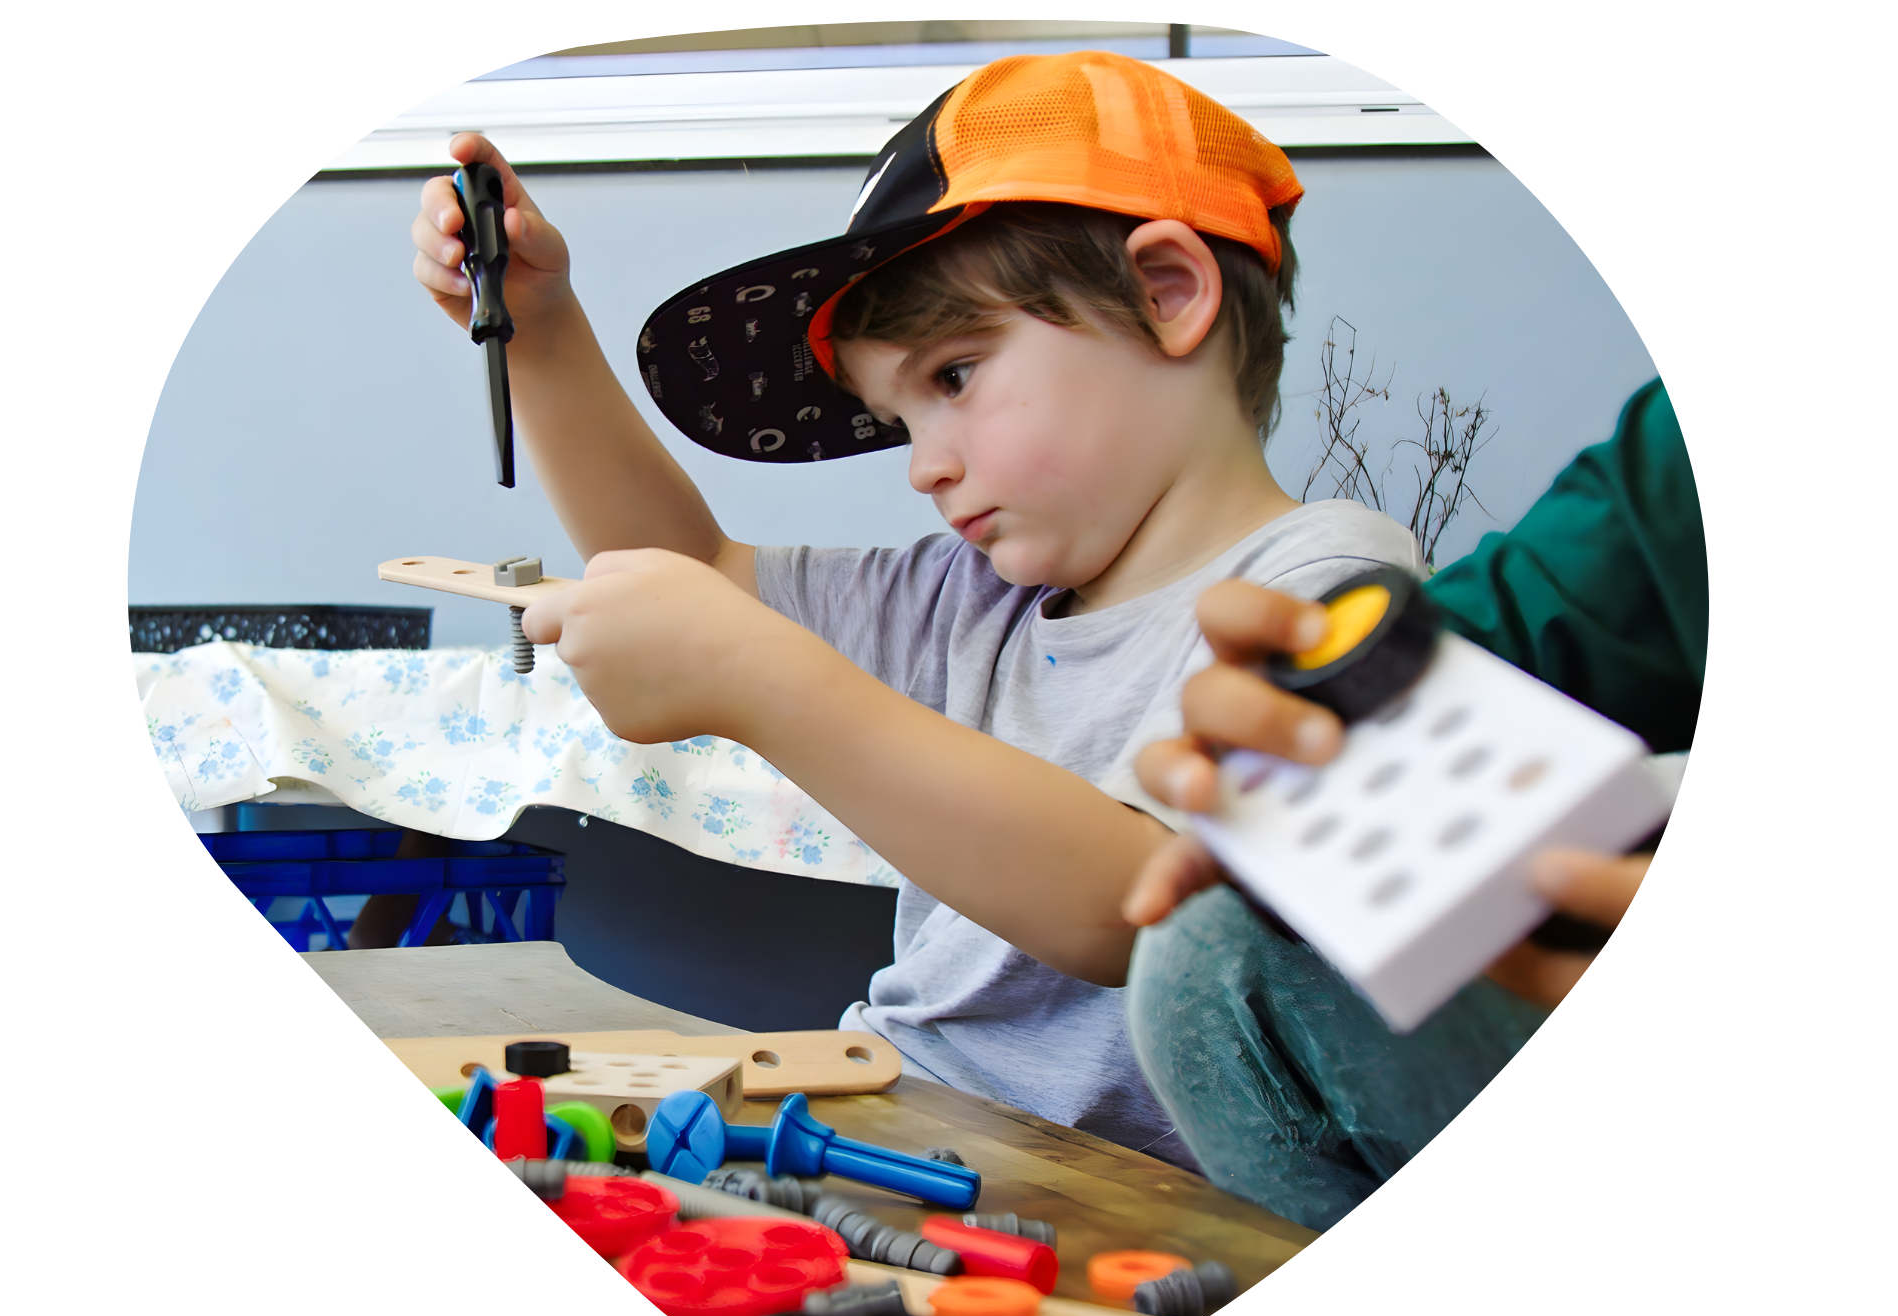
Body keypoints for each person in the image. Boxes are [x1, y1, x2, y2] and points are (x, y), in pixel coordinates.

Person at [409, 52, 1424, 1169]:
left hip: (1129, 1202)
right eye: (898, 420)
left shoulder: (1330, 584)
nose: (923, 469)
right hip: (903, 1120)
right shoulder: (970, 597)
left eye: (952, 378)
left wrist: (767, 683)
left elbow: (1134, 905)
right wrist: (543, 328)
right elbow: (681, 563)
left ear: (1169, 294)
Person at [1117, 379, 1700, 1225]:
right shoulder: (1665, 464)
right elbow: (1517, 623)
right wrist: (1330, 722)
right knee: (1224, 936)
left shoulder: (1320, 546)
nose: (925, 470)